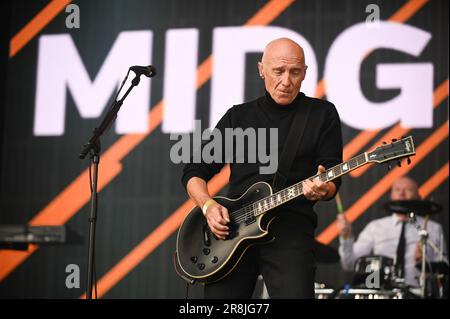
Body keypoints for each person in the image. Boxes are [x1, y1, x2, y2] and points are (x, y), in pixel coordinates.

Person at [181, 38, 343, 298]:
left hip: (291, 231)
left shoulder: (321, 113)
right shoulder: (238, 117)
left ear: (305, 73)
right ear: (261, 69)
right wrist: (208, 206)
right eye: (278, 71)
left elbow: (333, 175)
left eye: (295, 72)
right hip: (232, 233)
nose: (287, 81)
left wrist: (324, 188)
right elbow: (195, 171)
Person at [337, 176, 447, 288]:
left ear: (418, 196)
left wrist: (425, 263)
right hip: (383, 291)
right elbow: (349, 264)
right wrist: (346, 237)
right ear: (391, 195)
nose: (402, 194)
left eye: (408, 190)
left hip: (418, 291)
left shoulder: (432, 228)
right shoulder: (375, 227)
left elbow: (443, 272)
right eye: (397, 190)